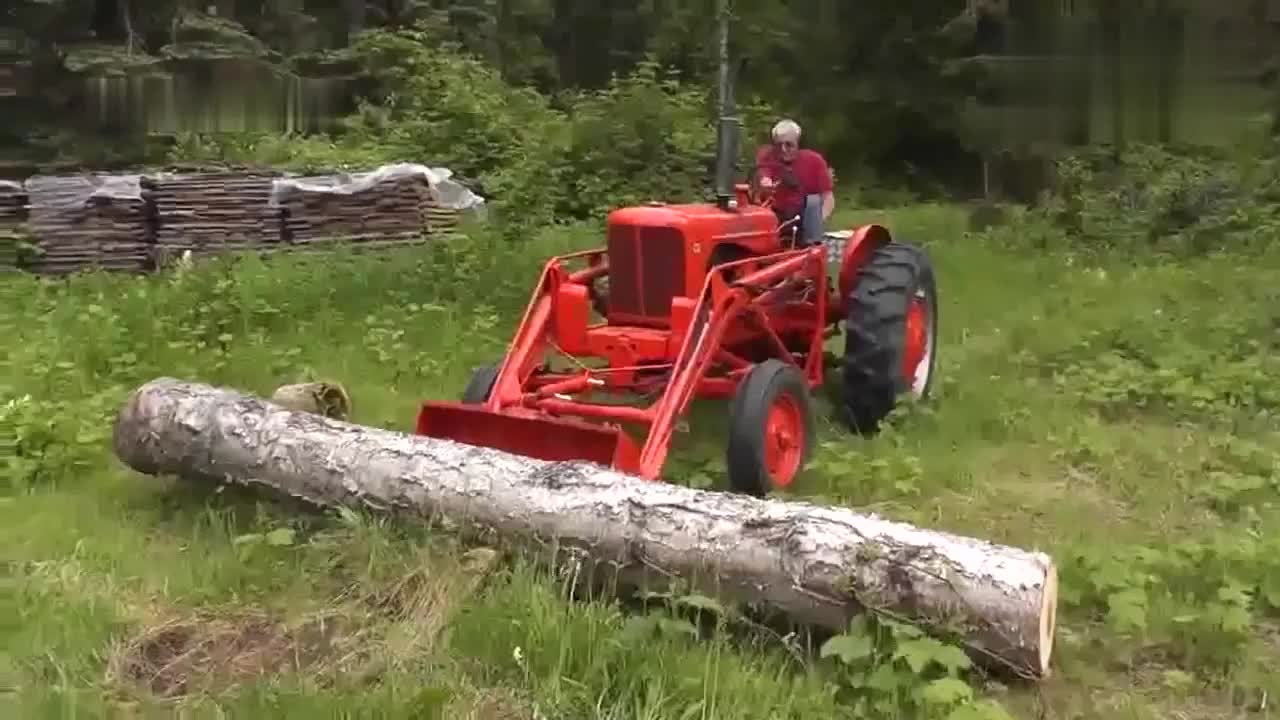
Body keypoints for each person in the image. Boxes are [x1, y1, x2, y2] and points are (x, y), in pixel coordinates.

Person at [754, 119, 834, 243]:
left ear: (798, 143)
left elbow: (828, 197)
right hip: (775, 214)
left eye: (789, 145)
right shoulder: (768, 157)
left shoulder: (814, 161)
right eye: (779, 145)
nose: (784, 149)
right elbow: (763, 174)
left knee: (814, 201)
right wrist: (765, 182)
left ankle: (811, 245)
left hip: (803, 217)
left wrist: (819, 220)